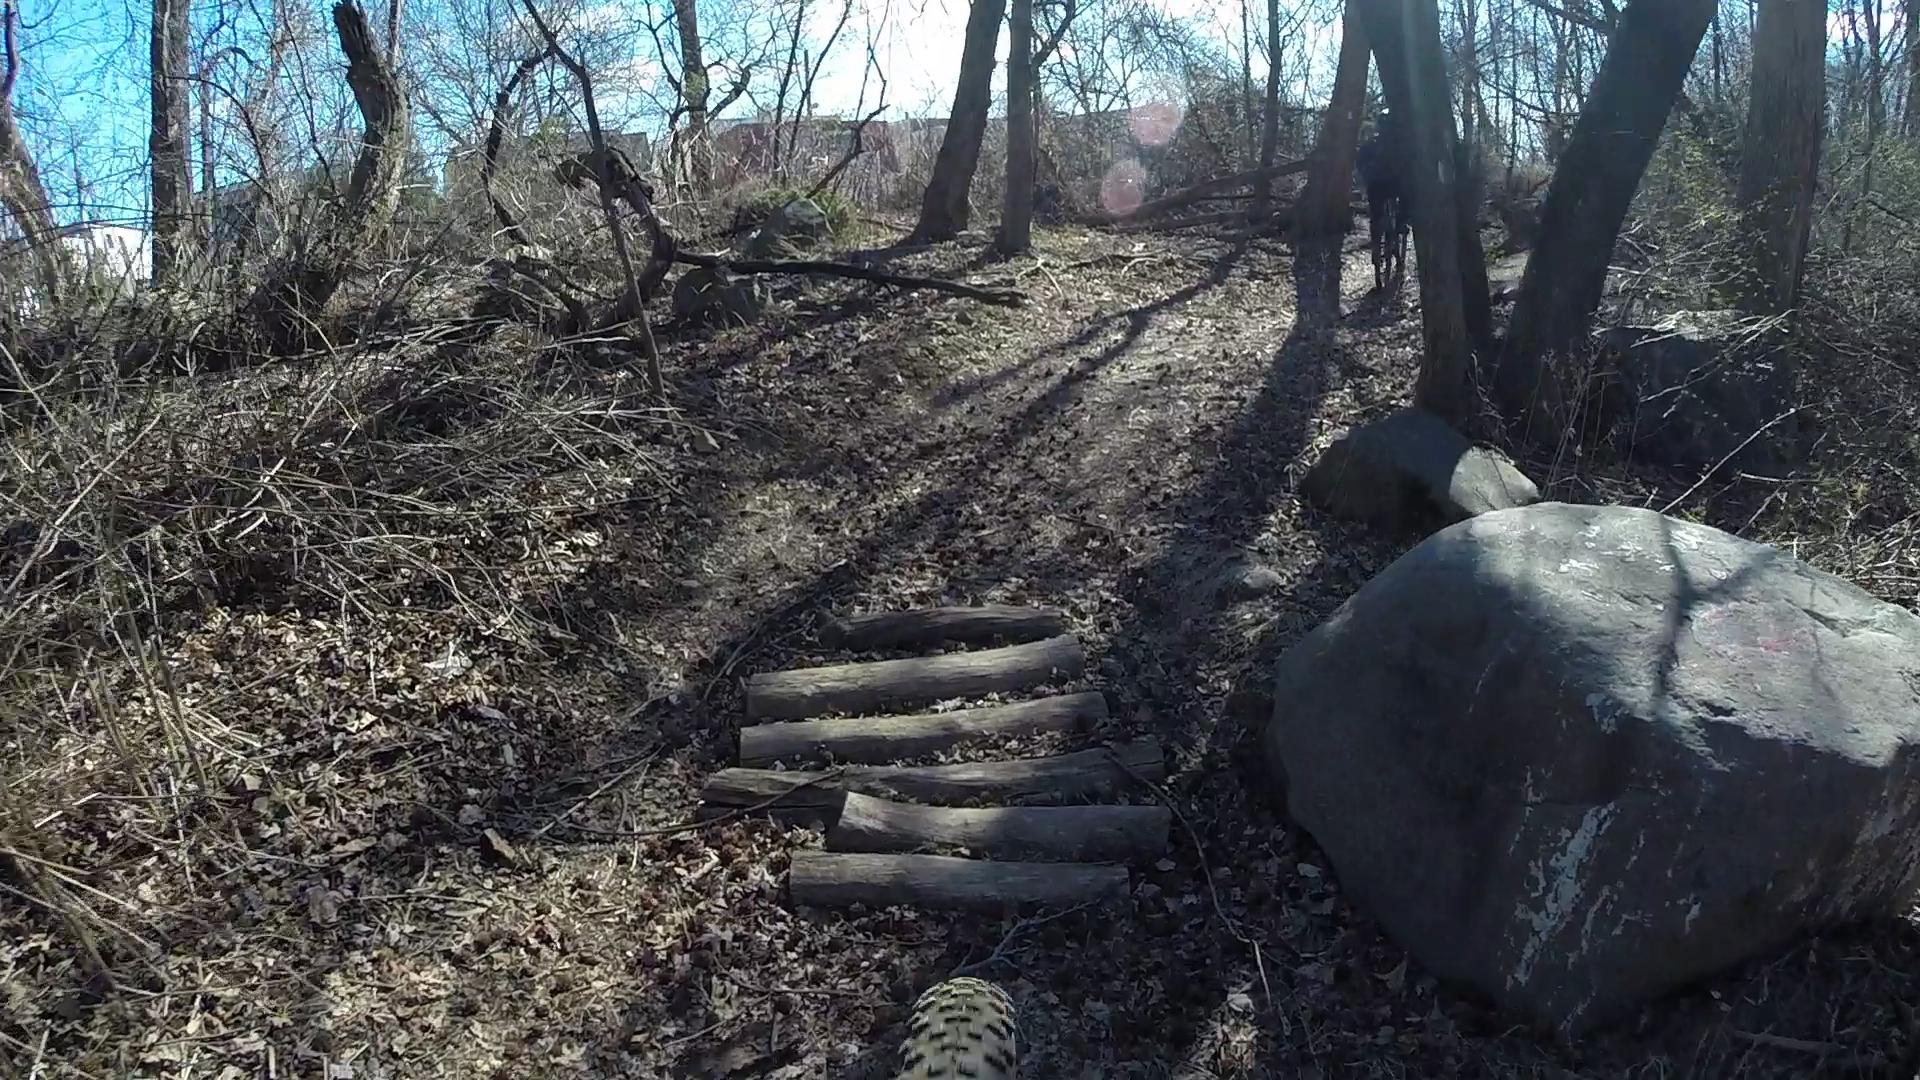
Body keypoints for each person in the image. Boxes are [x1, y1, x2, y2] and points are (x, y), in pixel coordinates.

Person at [1355, 106, 1411, 288]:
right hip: (1393, 185)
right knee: (1404, 200)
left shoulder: (1371, 145)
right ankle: (1401, 225)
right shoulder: (1399, 145)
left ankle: (1375, 246)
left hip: (1376, 187)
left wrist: (1365, 179)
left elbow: (1360, 163)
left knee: (1376, 216)